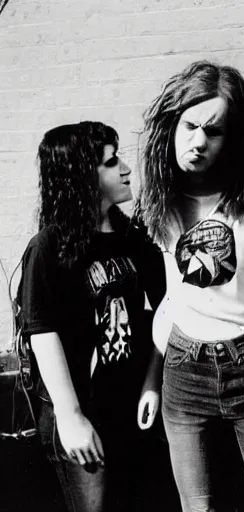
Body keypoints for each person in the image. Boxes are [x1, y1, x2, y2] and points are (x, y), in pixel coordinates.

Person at [136, 61, 244, 512]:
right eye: (189, 126)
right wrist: (155, 376)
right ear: (171, 126)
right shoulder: (160, 196)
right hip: (185, 371)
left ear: (233, 138)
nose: (198, 141)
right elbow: (171, 296)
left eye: (213, 131)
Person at [18, 121, 165, 512]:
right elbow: (42, 333)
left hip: (130, 409)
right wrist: (70, 418)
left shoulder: (133, 236)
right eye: (111, 162)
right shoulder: (49, 246)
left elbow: (165, 312)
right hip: (83, 413)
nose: (126, 169)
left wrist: (152, 383)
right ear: (82, 175)